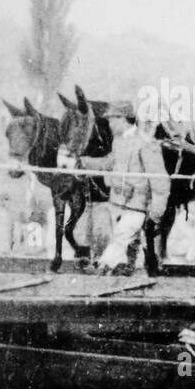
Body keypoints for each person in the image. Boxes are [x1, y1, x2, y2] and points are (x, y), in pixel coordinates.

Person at [76, 101, 170, 276]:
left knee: (121, 237)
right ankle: (122, 275)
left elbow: (160, 180)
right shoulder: (118, 141)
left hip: (137, 204)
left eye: (112, 120)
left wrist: (157, 210)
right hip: (117, 203)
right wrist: (86, 162)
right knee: (125, 243)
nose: (109, 125)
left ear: (123, 118)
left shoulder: (146, 143)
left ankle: (101, 267)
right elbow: (110, 162)